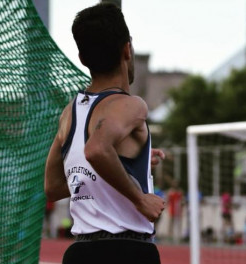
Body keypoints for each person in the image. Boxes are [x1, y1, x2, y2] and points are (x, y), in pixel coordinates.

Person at [44, 3, 166, 264]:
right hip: (127, 251)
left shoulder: (69, 113)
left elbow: (53, 186)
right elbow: (97, 150)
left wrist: (131, 165)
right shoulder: (131, 105)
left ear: (82, 59)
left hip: (79, 254)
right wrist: (140, 198)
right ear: (127, 49)